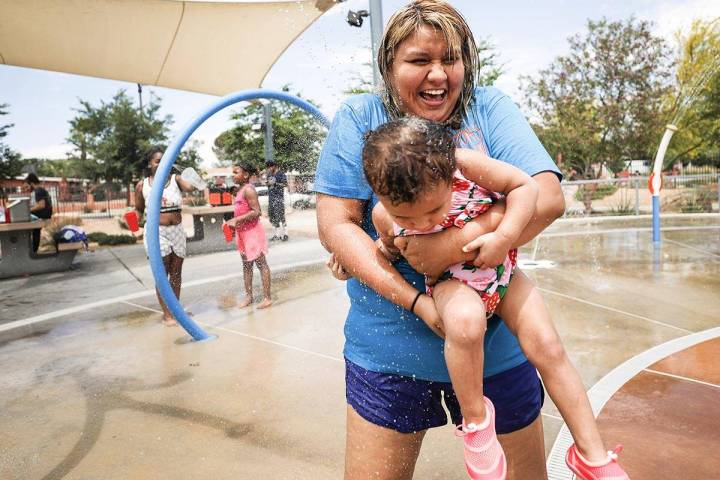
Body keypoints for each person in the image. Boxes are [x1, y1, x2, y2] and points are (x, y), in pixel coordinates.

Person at [315, 1, 567, 478]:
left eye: (450, 59)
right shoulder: (358, 116)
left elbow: (547, 197)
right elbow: (335, 225)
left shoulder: (487, 108)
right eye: (418, 61)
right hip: (389, 350)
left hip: (494, 350)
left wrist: (453, 245)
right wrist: (416, 301)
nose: (438, 75)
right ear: (389, 67)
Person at [363, 117, 628, 479]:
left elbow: (525, 188)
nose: (423, 224)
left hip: (503, 274)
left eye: (433, 211)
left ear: (446, 173)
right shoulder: (383, 215)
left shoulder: (465, 165)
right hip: (450, 282)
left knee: (548, 346)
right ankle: (476, 422)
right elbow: (391, 247)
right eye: (405, 216)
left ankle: (592, 455)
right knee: (466, 323)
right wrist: (376, 250)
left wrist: (504, 237)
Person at [134, 146, 195, 326]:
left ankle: (176, 310)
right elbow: (138, 210)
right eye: (157, 161)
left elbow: (191, 187)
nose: (161, 164)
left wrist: (186, 171)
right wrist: (135, 221)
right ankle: (167, 314)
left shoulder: (176, 180)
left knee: (176, 273)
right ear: (149, 163)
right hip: (156, 233)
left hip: (176, 230)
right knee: (162, 274)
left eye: (164, 160)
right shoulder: (142, 185)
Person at [224, 162, 272, 309]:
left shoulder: (249, 190)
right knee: (246, 265)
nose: (233, 175)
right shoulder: (240, 190)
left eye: (236, 172)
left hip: (252, 233)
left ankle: (267, 297)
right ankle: (249, 296)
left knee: (261, 264)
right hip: (242, 233)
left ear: (245, 175)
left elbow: (257, 212)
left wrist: (236, 220)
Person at [25, 173, 53, 253]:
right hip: (45, 214)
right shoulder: (40, 190)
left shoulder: (38, 191)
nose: (28, 188)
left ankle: (33, 251)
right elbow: (39, 204)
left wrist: (28, 210)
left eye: (28, 185)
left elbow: (41, 205)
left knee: (23, 221)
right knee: (34, 231)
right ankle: (33, 251)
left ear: (31, 183)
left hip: (43, 215)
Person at [266, 160, 288, 241]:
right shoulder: (269, 174)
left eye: (270, 166)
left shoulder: (281, 174)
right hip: (271, 198)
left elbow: (285, 184)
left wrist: (276, 184)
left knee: (281, 216)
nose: (269, 168)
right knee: (273, 216)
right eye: (268, 167)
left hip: (279, 198)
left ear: (275, 166)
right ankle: (277, 234)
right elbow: (268, 184)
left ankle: (285, 233)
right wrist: (267, 183)